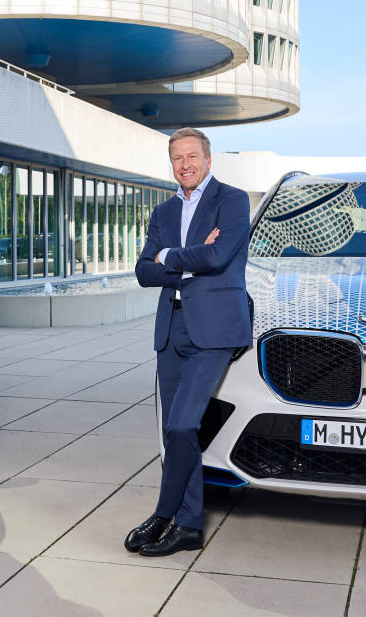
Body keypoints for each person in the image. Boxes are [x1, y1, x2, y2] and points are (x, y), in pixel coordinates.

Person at [126, 127, 251, 556]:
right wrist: (188, 259)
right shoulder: (163, 211)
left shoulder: (232, 200)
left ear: (208, 159)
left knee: (183, 424)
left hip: (213, 330)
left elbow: (218, 258)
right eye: (178, 158)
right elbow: (144, 271)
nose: (185, 165)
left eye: (192, 156)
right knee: (173, 432)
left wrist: (169, 257)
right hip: (171, 328)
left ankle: (165, 515)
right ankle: (189, 525)